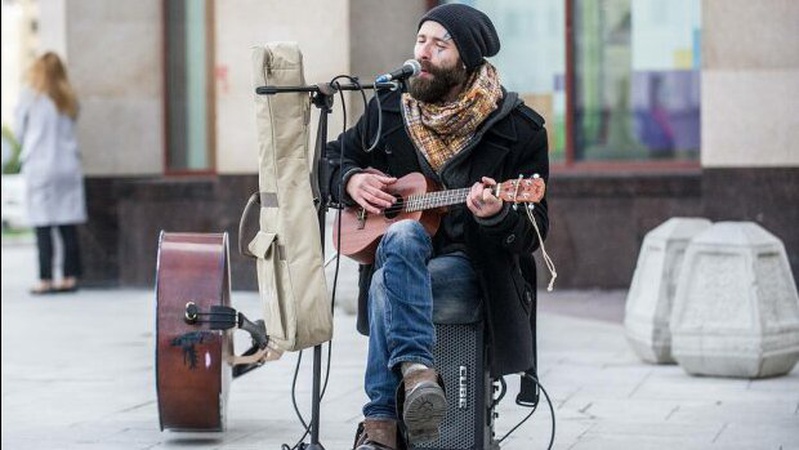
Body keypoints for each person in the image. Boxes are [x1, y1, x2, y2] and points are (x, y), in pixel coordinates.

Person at [326, 4, 550, 449]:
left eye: (439, 44)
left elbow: (536, 227)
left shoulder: (520, 129)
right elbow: (330, 158)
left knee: (385, 283)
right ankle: (418, 375)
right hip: (404, 259)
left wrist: (496, 214)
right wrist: (351, 179)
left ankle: (380, 426)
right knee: (405, 235)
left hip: (472, 270)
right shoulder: (390, 110)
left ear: (465, 60)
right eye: (421, 40)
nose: (423, 53)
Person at [13, 51, 87, 295]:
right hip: (66, 165)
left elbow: (20, 132)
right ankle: (69, 277)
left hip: (40, 166)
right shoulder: (69, 98)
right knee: (67, 225)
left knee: (42, 225)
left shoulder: (29, 97)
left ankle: (45, 279)